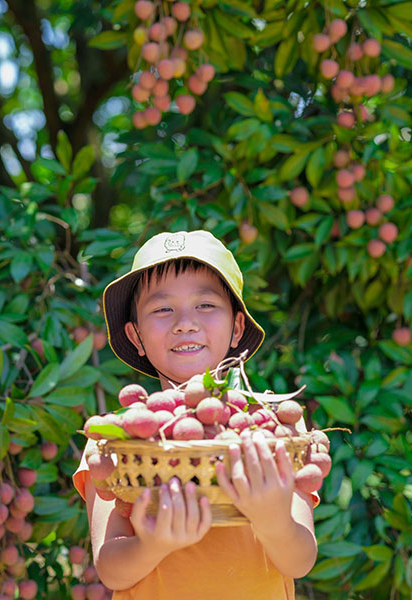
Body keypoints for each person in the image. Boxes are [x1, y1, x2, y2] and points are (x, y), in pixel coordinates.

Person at [72, 230, 318, 599]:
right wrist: (153, 544)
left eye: (205, 305)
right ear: (135, 335)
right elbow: (111, 569)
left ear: (237, 327)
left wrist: (272, 520)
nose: (185, 322)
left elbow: (299, 561)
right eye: (162, 308)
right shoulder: (116, 439)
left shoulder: (275, 429)